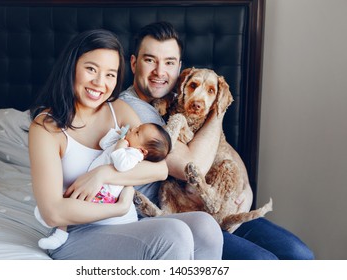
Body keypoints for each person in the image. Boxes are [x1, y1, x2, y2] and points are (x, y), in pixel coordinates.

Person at [120, 21, 315, 260]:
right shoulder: (132, 110)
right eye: (150, 60)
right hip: (173, 215)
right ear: (133, 63)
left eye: (169, 62)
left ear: (180, 68)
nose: (160, 72)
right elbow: (193, 168)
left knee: (300, 255)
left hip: (213, 207)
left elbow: (223, 149)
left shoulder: (179, 97)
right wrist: (218, 109)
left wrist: (246, 189)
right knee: (264, 262)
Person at [29, 29, 223, 260]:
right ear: (71, 67)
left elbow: (160, 169)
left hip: (124, 222)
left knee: (205, 226)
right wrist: (118, 208)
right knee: (173, 233)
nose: (100, 83)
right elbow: (52, 213)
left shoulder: (117, 110)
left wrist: (102, 175)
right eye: (91, 69)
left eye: (110, 74)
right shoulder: (46, 128)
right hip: (75, 231)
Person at [34, 122, 172, 250]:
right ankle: (59, 232)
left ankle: (59, 232)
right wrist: (117, 136)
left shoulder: (134, 155)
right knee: (69, 202)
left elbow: (121, 165)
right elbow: (103, 143)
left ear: (143, 151)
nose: (133, 129)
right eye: (137, 128)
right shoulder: (125, 145)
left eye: (137, 132)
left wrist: (120, 147)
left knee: (73, 203)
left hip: (104, 193)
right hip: (96, 188)